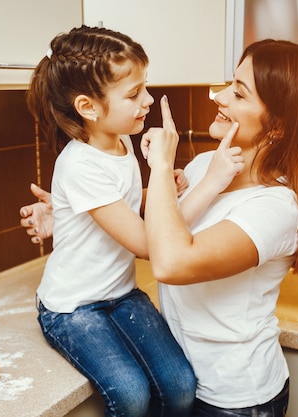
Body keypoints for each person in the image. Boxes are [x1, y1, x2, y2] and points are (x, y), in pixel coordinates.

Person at [20, 39, 298, 417]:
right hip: (188, 376)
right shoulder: (207, 164)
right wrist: (71, 211)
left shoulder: (275, 209)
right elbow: (157, 219)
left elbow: (168, 258)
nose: (219, 96)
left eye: (238, 94)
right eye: (229, 83)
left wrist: (161, 168)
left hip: (235, 400)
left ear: (277, 127)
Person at [25, 25, 196, 417]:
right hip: (73, 308)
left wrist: (163, 189)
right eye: (134, 94)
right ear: (88, 107)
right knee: (132, 396)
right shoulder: (80, 164)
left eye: (145, 87)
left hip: (120, 295)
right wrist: (163, 170)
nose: (148, 100)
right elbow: (145, 243)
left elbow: (128, 204)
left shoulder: (122, 141)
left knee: (181, 386)